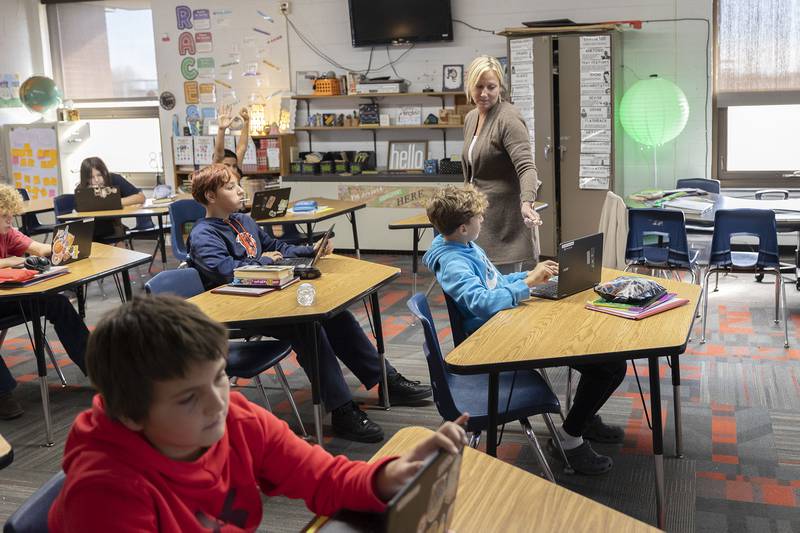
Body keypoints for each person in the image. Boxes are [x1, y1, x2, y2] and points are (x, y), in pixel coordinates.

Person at [48, 295, 467, 531]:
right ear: (130, 415)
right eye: (188, 398)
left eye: (219, 377)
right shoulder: (106, 492)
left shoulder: (236, 419)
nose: (218, 402)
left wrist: (389, 477)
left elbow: (322, 476)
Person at [186, 164, 432, 442]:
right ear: (210, 196)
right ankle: (342, 409)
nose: (241, 191)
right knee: (307, 327)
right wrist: (263, 261)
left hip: (268, 296)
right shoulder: (204, 234)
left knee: (337, 317)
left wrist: (310, 249)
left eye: (238, 184)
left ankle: (386, 381)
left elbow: (276, 248)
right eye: (231, 187)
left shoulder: (244, 221)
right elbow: (224, 271)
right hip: (239, 309)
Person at [423, 185, 626, 476]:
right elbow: (481, 302)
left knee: (607, 362)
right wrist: (528, 284)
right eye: (479, 217)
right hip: (494, 340)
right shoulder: (454, 262)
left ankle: (582, 420)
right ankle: (570, 438)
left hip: (505, 323)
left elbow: (494, 282)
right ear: (464, 227)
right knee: (608, 366)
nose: (483, 220)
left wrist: (530, 275)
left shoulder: (463, 245)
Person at [0, 185, 89, 419]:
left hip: (6, 296)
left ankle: (96, 366)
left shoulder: (7, 232)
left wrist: (64, 247)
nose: (10, 220)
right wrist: (9, 262)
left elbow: (38, 249)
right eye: (4, 215)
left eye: (11, 214)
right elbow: (10, 262)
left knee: (57, 303)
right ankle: (2, 394)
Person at [462, 55, 542, 272]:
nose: (484, 93)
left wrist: (527, 202)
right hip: (478, 219)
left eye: (491, 87)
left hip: (504, 225)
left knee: (505, 288)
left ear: (500, 87)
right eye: (479, 87)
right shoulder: (471, 118)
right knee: (481, 286)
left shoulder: (508, 118)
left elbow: (526, 167)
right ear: (470, 86)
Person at [76, 156, 147, 240]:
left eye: (99, 175)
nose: (96, 180)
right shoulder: (81, 189)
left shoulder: (114, 179)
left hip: (113, 227)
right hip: (90, 230)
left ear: (104, 172)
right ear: (85, 178)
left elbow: (141, 198)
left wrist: (113, 201)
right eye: (91, 177)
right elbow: (78, 212)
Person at [213, 105, 250, 175]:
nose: (232, 169)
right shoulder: (216, 175)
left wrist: (246, 122)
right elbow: (218, 154)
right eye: (227, 165)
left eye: (234, 166)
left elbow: (242, 148)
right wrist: (221, 130)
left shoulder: (235, 174)